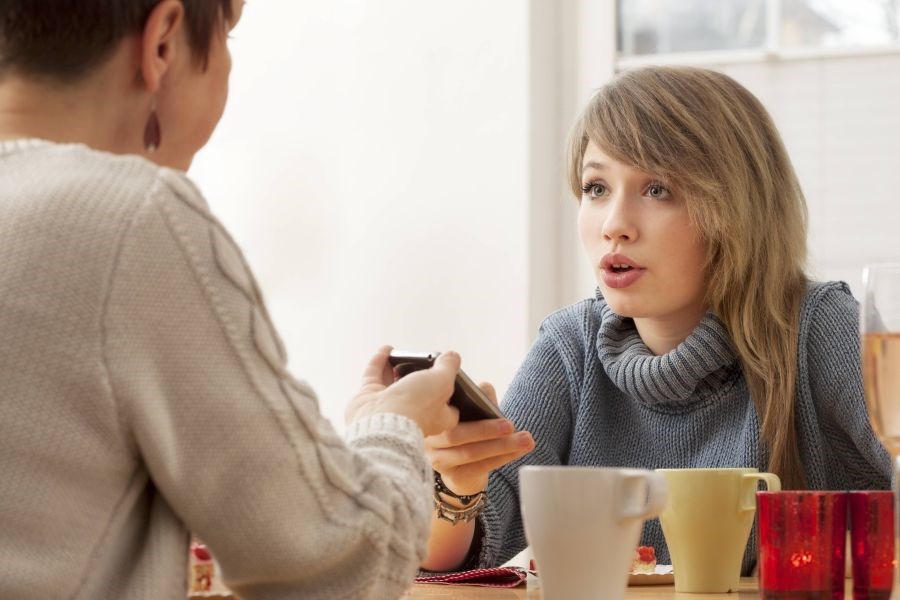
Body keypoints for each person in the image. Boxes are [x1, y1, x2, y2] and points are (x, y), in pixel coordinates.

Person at [0, 2, 467, 599]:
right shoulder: (134, 218)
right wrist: (395, 423)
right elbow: (342, 566)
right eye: (227, 35)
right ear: (164, 41)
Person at [421, 65, 891, 575]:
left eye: (658, 189)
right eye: (596, 187)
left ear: (737, 209)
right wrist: (458, 483)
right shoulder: (570, 346)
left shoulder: (822, 330)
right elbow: (455, 555)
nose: (614, 225)